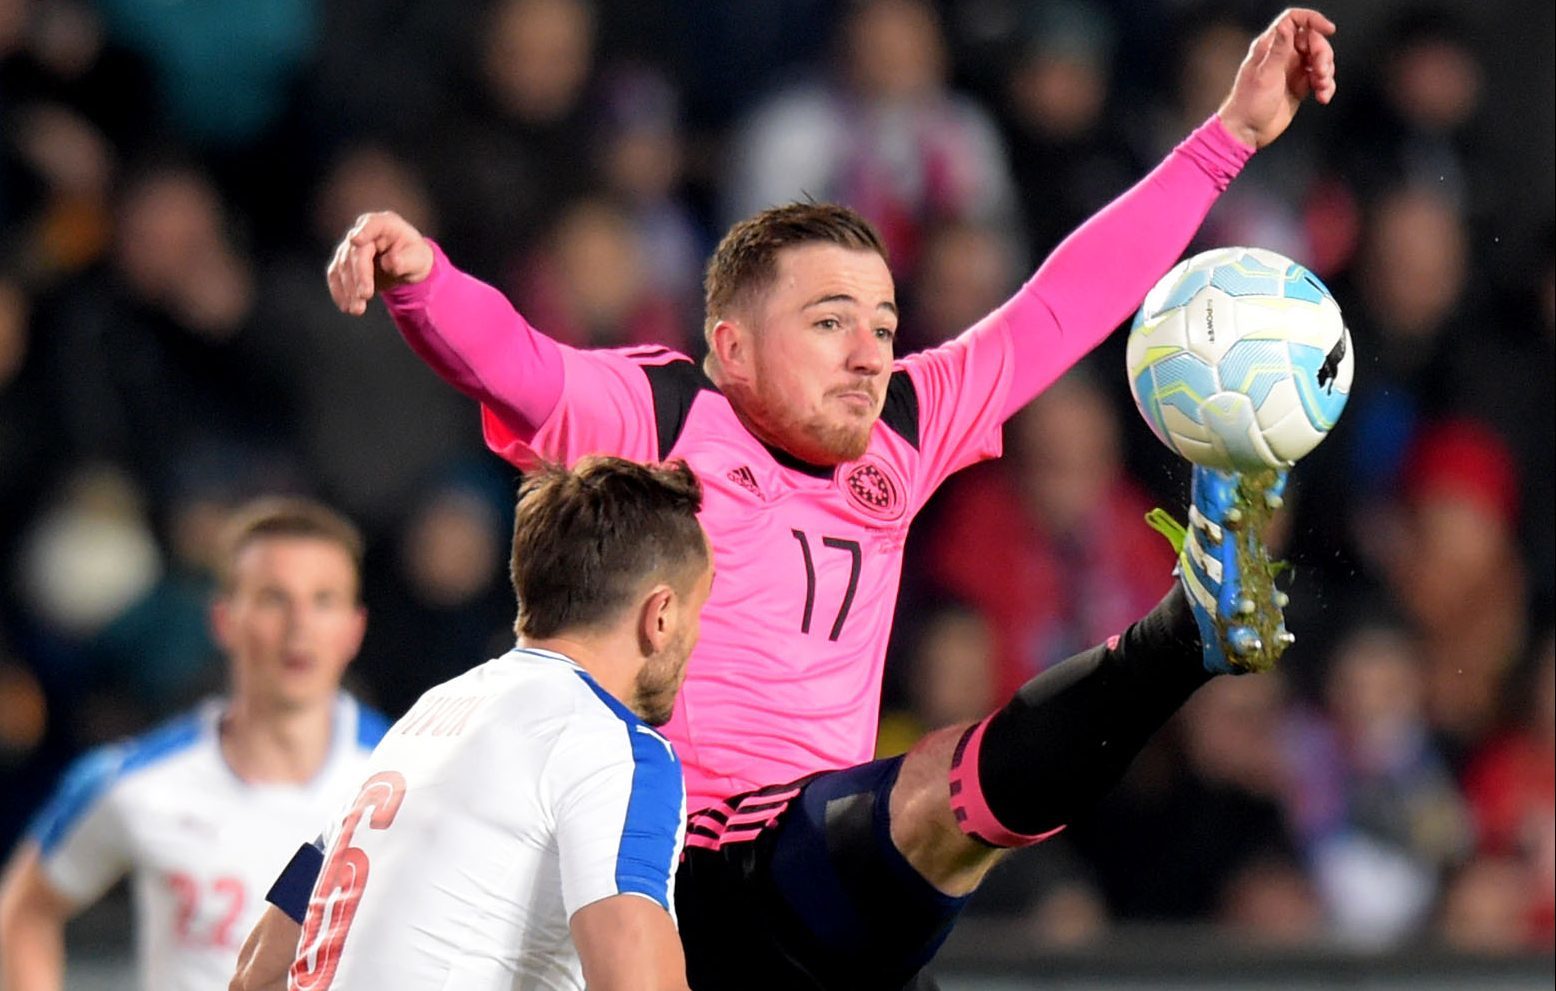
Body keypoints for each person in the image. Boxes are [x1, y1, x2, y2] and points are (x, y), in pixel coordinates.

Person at [262, 9, 1337, 989]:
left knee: (919, 816)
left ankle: (1186, 635)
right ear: (730, 346)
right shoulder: (667, 417)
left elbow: (1062, 304)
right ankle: (1181, 637)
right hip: (675, 869)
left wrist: (1228, 135)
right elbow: (516, 363)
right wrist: (420, 279)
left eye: (881, 320)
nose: (871, 350)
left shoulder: (906, 428)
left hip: (828, 885)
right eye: (830, 321)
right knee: (933, 804)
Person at [234, 456, 710, 991]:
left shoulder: (424, 719)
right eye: (699, 615)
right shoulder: (616, 748)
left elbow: (255, 972)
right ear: (661, 614)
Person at [0, 497, 388, 991]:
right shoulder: (135, 780)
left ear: (355, 629)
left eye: (323, 600)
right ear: (224, 619)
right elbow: (26, 909)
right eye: (274, 598)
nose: (299, 627)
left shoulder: (408, 778)